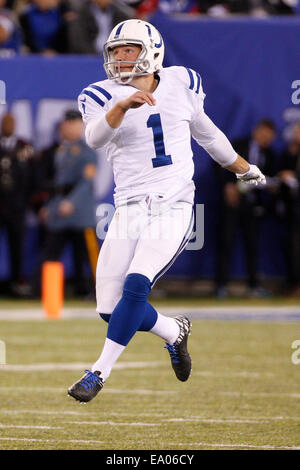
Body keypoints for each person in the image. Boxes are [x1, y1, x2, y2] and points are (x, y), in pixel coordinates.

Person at [68, 19, 266, 403]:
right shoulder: (99, 94)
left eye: (129, 50)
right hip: (127, 208)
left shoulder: (182, 82)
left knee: (136, 286)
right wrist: (122, 106)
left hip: (172, 204)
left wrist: (242, 167)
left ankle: (98, 372)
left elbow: (206, 132)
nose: (121, 58)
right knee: (110, 309)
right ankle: (174, 331)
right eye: (115, 51)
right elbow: (94, 138)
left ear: (152, 51)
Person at [215, 119, 277, 298]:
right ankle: (221, 286)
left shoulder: (270, 154)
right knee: (226, 243)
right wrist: (228, 186)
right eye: (265, 135)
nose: (267, 139)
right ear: (257, 131)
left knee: (253, 246)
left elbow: (270, 178)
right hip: (233, 203)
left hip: (253, 206)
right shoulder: (238, 145)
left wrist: (272, 185)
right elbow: (221, 164)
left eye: (270, 137)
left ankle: (253, 286)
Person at [39, 110, 97, 296]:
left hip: (80, 213)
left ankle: (98, 291)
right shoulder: (60, 150)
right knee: (51, 253)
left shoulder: (87, 151)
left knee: (87, 255)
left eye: (71, 123)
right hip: (60, 210)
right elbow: (58, 185)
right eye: (66, 123)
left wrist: (72, 202)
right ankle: (47, 292)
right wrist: (49, 207)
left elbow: (86, 182)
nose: (66, 127)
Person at [0, 113, 34, 296]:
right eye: (5, 122)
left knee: (17, 246)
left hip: (17, 207)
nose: (7, 126)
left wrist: (27, 201)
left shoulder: (24, 146)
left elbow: (31, 177)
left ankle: (16, 283)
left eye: (10, 122)